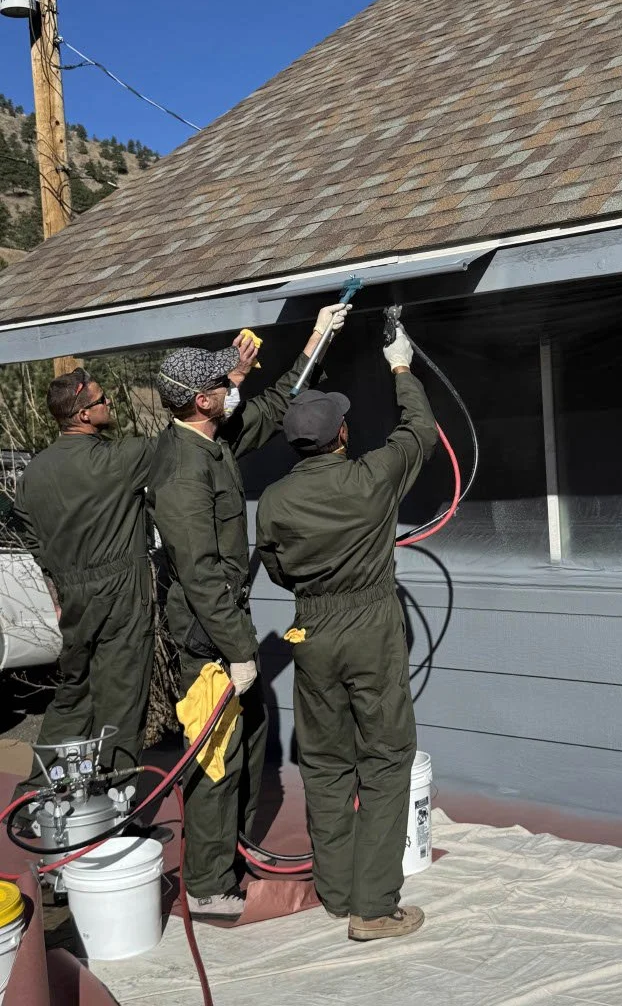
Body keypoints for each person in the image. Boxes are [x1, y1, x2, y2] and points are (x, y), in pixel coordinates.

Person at [147, 304, 349, 921]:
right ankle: (208, 883)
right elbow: (202, 574)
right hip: (210, 638)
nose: (232, 387)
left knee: (248, 735)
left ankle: (227, 851)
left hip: (224, 631)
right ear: (200, 403)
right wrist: (238, 649)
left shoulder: (210, 437)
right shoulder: (183, 472)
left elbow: (275, 401)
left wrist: (316, 339)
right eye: (220, 384)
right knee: (216, 757)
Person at [255, 325, 437, 942]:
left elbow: (277, 569)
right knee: (386, 758)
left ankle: (335, 892)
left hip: (312, 628)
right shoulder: (371, 478)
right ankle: (373, 906)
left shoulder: (274, 502)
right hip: (369, 625)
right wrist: (401, 369)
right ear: (340, 434)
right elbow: (420, 433)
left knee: (327, 762)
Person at [11, 368, 157, 810]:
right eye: (101, 398)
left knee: (75, 692)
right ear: (83, 413)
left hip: (74, 596)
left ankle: (39, 794)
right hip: (120, 593)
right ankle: (115, 808)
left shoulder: (32, 475)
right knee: (121, 698)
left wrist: (58, 590)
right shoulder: (119, 460)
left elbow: (33, 541)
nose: (108, 402)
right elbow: (183, 444)